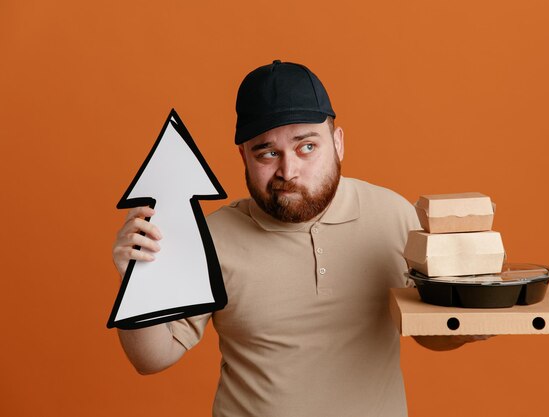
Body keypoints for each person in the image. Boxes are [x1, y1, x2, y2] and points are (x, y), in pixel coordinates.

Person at [112, 60, 488, 417]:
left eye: (307, 146)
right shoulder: (211, 239)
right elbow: (152, 359)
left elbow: (428, 332)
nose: (288, 170)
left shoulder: (394, 215)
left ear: (338, 143)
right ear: (244, 157)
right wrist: (136, 281)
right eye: (267, 152)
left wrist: (469, 326)